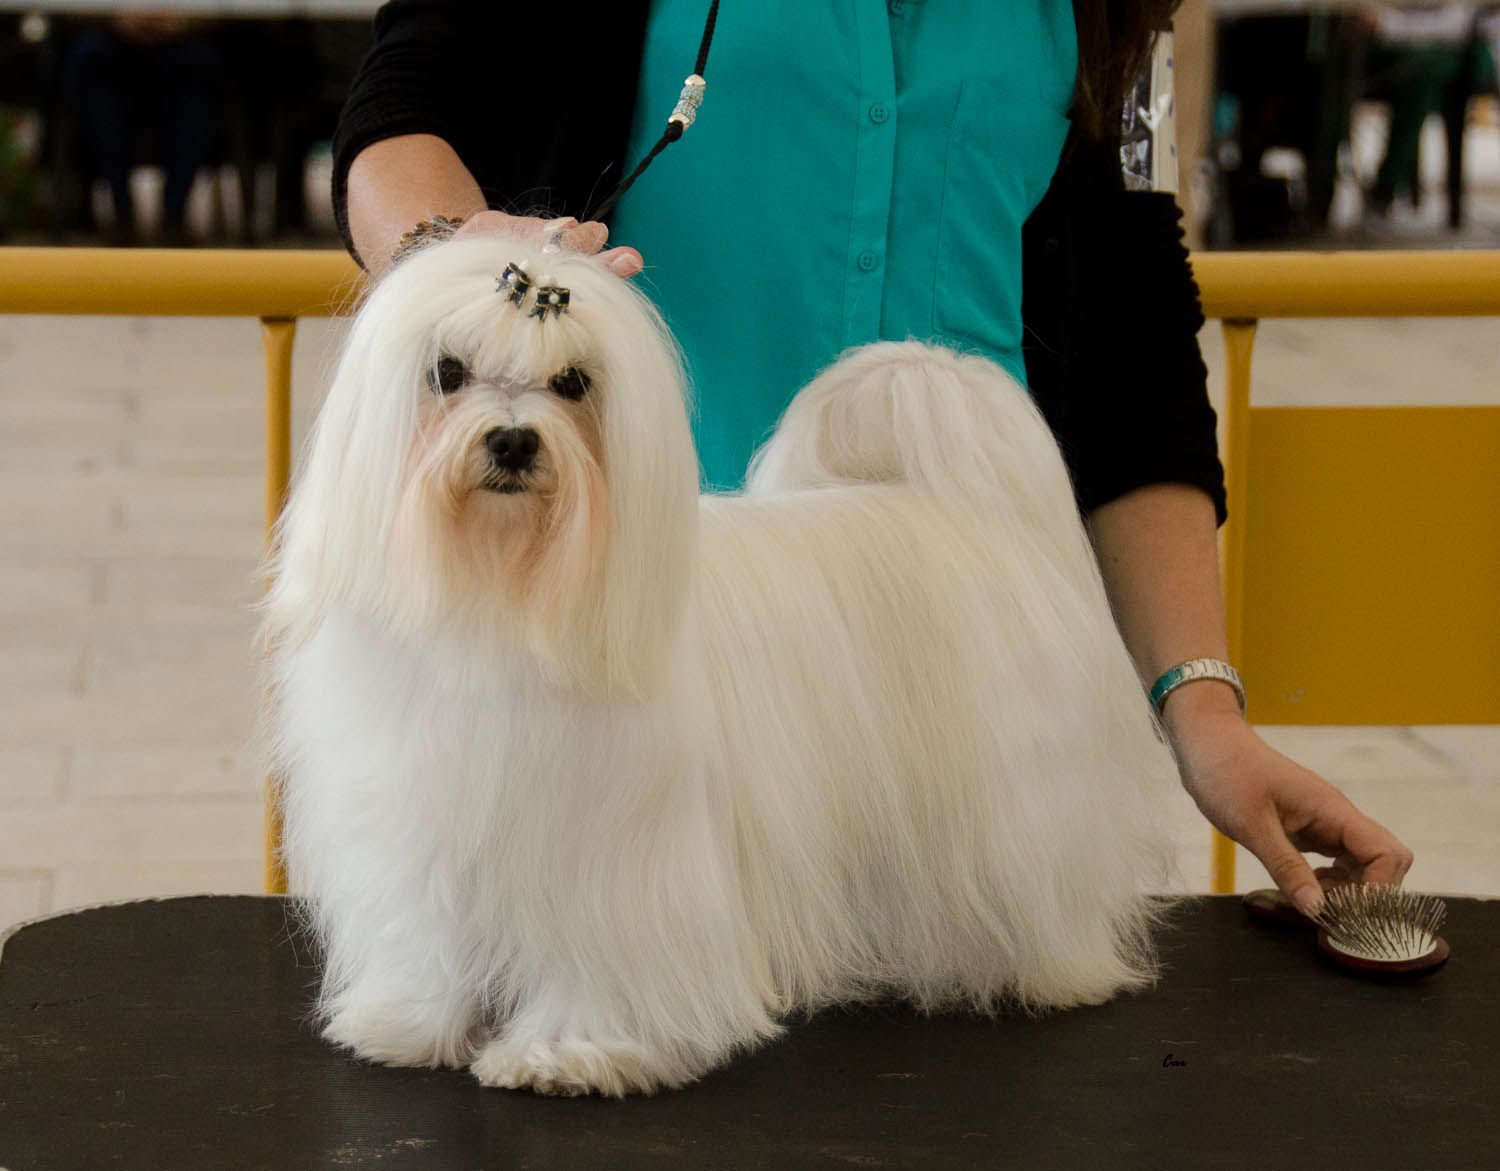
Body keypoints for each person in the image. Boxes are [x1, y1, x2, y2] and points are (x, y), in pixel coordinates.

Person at [330, 0, 1413, 915]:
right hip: (653, 679)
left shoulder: (1110, 15)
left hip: (987, 690)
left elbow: (1130, 330)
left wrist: (1201, 706)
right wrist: (448, 261)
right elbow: (404, 106)